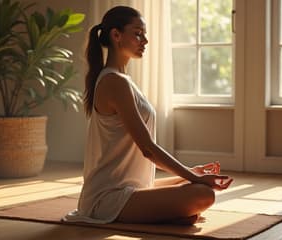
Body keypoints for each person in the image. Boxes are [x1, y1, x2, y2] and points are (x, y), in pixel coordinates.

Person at [63, 5, 233, 225]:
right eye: (138, 33)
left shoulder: (124, 81)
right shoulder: (114, 82)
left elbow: (141, 170)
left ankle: (170, 214)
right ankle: (170, 214)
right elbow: (148, 148)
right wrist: (195, 177)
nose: (145, 40)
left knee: (197, 189)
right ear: (116, 35)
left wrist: (190, 172)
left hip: (131, 190)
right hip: (106, 200)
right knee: (203, 194)